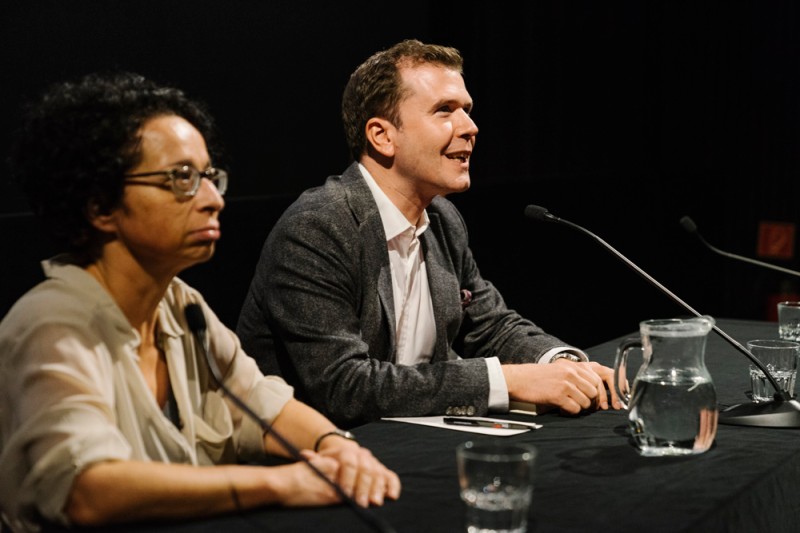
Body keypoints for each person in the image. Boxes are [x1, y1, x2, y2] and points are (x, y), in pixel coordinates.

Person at [0, 72, 400, 532]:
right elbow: (87, 490)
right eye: (182, 178)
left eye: (210, 177)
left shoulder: (177, 301)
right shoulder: (50, 324)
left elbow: (261, 403)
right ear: (99, 206)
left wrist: (336, 446)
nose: (213, 200)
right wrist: (281, 485)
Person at [236, 39, 621, 428]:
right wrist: (507, 380)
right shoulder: (318, 228)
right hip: (308, 464)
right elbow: (344, 387)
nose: (470, 128)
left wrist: (563, 364)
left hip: (407, 447)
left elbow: (489, 326)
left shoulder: (442, 219)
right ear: (382, 136)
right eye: (444, 111)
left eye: (467, 111)